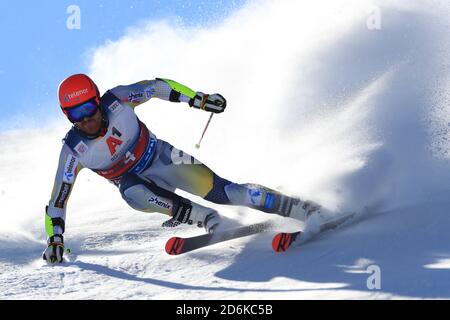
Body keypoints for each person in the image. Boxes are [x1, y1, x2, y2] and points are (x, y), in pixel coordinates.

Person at [43, 74, 321, 263]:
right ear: (67, 116)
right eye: (76, 115)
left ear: (97, 99)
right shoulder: (73, 150)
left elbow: (157, 86)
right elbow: (57, 200)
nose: (87, 119)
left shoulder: (118, 100)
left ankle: (298, 207)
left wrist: (198, 99)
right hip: (140, 186)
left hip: (163, 158)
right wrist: (55, 239)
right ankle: (206, 218)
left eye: (89, 107)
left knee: (229, 192)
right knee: (132, 191)